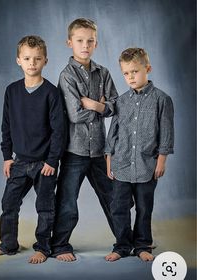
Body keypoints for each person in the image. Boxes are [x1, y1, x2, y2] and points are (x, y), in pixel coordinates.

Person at [0, 35, 65, 264]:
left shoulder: (51, 93)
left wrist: (52, 161)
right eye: (27, 58)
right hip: (19, 162)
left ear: (45, 61)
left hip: (44, 164)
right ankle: (8, 244)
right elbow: (6, 125)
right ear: (18, 60)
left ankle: (43, 247)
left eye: (37, 59)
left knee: (45, 207)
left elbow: (59, 131)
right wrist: (7, 157)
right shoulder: (12, 91)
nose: (32, 63)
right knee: (9, 204)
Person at [51, 18, 118, 262]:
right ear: (70, 43)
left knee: (113, 198)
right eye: (80, 40)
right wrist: (101, 106)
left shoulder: (104, 73)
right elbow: (75, 115)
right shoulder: (66, 76)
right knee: (67, 200)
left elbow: (115, 106)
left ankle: (126, 241)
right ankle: (60, 245)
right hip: (74, 150)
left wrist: (93, 103)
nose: (85, 45)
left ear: (96, 43)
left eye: (90, 41)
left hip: (100, 149)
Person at [105, 47, 174, 262]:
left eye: (135, 71)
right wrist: (109, 162)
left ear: (148, 69)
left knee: (144, 209)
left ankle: (142, 245)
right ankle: (122, 246)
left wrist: (161, 160)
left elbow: (166, 132)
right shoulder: (120, 102)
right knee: (119, 208)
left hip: (147, 165)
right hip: (121, 164)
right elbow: (112, 134)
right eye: (126, 73)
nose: (130, 77)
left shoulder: (162, 100)